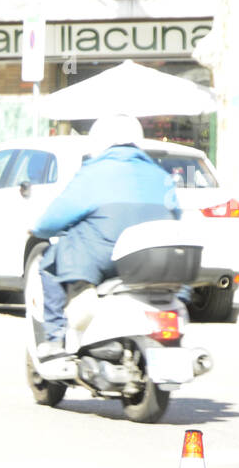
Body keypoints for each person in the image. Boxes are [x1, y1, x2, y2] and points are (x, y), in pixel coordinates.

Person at [32, 114, 181, 359]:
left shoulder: (93, 172)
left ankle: (55, 337)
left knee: (49, 262)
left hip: (104, 258)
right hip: (154, 260)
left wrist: (38, 230)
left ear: (99, 141)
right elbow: (175, 214)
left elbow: (56, 218)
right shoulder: (159, 174)